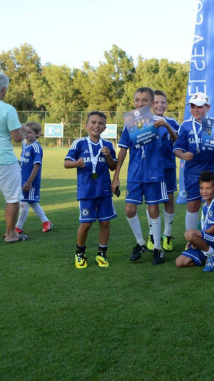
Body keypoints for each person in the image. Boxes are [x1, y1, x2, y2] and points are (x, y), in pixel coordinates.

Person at [112, 87, 176, 265]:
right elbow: (123, 149)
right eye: (137, 100)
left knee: (153, 209)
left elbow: (177, 142)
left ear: (152, 103)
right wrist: (116, 176)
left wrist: (166, 126)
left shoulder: (160, 122)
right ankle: (140, 242)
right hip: (135, 173)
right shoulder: (130, 123)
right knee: (129, 209)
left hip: (155, 173)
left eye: (145, 100)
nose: (140, 103)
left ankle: (157, 248)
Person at [64, 111, 117, 268]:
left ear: (104, 127)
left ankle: (102, 254)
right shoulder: (79, 143)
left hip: (104, 190)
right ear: (86, 125)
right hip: (86, 191)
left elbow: (113, 167)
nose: (96, 126)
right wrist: (77, 163)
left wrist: (109, 156)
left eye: (100, 123)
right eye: (93, 122)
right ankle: (79, 253)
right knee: (86, 224)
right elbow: (66, 163)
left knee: (105, 223)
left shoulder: (108, 145)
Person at [174, 92, 214, 235]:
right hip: (193, 171)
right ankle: (191, 238)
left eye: (199, 107)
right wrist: (183, 155)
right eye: (193, 106)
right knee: (193, 203)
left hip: (213, 169)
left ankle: (212, 236)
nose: (195, 110)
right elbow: (177, 148)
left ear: (208, 107)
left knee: (213, 203)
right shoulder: (185, 125)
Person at [175, 171, 214, 272]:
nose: (204, 191)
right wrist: (196, 242)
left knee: (189, 234)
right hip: (207, 240)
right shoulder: (205, 206)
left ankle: (213, 255)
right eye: (202, 188)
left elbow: (213, 229)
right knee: (179, 262)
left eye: (208, 188)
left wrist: (196, 238)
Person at [149, 90, 179, 252]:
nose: (159, 105)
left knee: (169, 199)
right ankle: (152, 235)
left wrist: (167, 126)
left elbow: (178, 140)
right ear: (151, 104)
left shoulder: (172, 121)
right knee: (152, 202)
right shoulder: (144, 121)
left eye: (162, 102)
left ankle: (167, 235)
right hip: (150, 168)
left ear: (166, 104)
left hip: (168, 167)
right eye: (156, 102)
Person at [0, 73, 27, 243]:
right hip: (5, 160)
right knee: (12, 198)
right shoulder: (8, 109)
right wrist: (22, 130)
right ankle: (11, 234)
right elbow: (17, 138)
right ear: (3, 89)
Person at [16, 122, 52, 233]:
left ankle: (18, 227)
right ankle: (46, 222)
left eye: (30, 132)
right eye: (25, 132)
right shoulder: (24, 143)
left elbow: (36, 166)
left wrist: (29, 182)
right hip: (23, 179)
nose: (26, 134)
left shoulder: (36, 147)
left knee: (23, 203)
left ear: (37, 134)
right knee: (32, 202)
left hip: (31, 181)